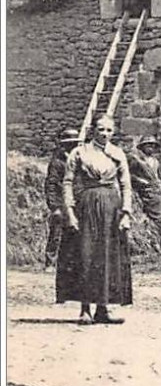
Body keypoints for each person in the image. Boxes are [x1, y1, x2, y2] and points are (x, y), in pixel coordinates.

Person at [58, 115, 135, 325]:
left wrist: (126, 213)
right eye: (101, 129)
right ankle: (85, 309)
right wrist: (70, 213)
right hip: (87, 207)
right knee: (86, 255)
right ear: (93, 130)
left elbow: (126, 185)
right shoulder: (79, 152)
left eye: (109, 130)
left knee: (107, 257)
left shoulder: (117, 154)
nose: (105, 134)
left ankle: (103, 308)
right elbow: (67, 183)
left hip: (112, 209)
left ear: (114, 132)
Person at [127, 137, 161, 252]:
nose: (150, 147)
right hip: (148, 191)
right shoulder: (136, 160)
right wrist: (141, 182)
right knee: (159, 217)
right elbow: (129, 175)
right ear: (142, 147)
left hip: (159, 190)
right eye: (147, 145)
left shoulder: (155, 162)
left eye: (153, 145)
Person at [43, 127, 79, 268]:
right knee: (56, 234)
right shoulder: (57, 162)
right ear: (64, 144)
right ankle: (50, 263)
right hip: (61, 202)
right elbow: (51, 185)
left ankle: (70, 263)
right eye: (69, 143)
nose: (72, 146)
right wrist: (54, 207)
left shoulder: (78, 159)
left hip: (75, 201)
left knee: (75, 233)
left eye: (75, 143)